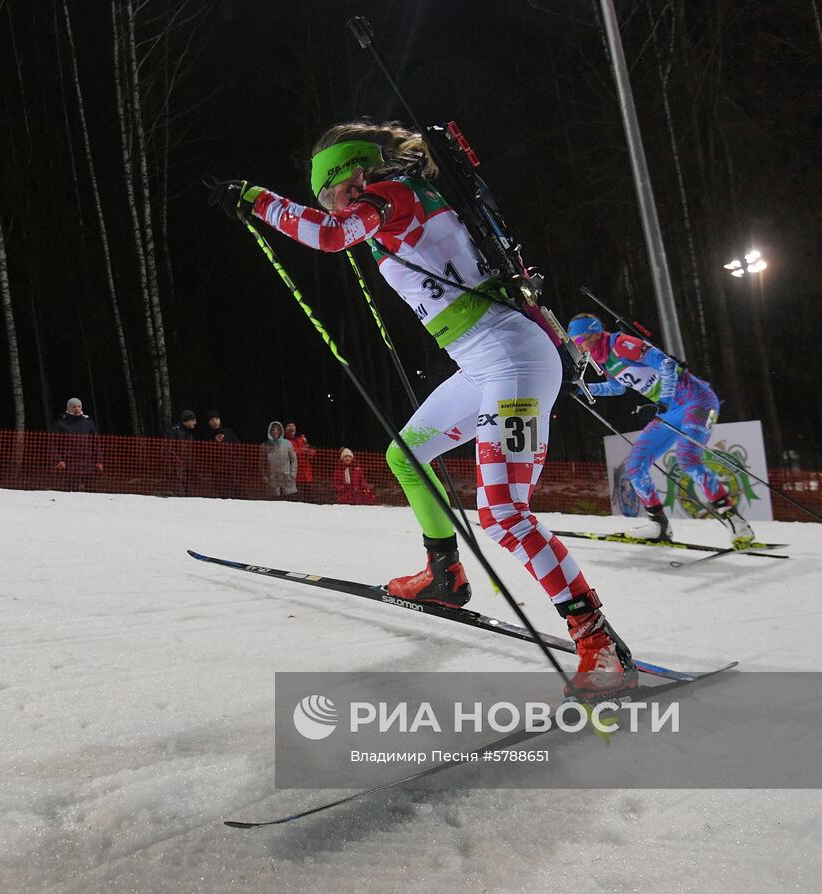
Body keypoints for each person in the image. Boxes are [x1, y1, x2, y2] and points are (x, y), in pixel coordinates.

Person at [210, 120, 635, 696]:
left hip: (515, 361)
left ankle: (597, 638)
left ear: (355, 173)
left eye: (330, 193)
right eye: (323, 200)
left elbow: (332, 237)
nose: (331, 206)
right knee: (405, 454)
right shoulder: (400, 198)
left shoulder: (394, 194)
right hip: (486, 364)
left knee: (503, 514)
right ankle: (445, 574)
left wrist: (257, 199)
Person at [567, 313, 755, 547]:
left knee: (688, 459)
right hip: (669, 411)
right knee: (635, 465)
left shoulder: (620, 344)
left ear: (594, 333)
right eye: (574, 342)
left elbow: (666, 364)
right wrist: (582, 389)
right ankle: (658, 525)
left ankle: (737, 523)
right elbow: (617, 389)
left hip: (696, 400)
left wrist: (663, 401)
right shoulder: (603, 360)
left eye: (579, 340)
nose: (578, 346)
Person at [50, 397, 103, 492]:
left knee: (90, 492)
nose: (77, 409)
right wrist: (58, 460)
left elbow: (96, 443)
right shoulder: (60, 423)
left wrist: (99, 461)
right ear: (69, 408)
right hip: (70, 465)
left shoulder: (88, 422)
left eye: (79, 406)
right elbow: (52, 444)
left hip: (88, 464)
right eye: (74, 407)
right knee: (72, 491)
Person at [202, 410, 242, 499]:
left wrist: (237, 461)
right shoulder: (206, 434)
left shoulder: (229, 431)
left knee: (236, 492)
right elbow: (204, 451)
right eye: (212, 420)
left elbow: (238, 447)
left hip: (232, 468)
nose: (215, 421)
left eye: (216, 419)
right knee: (222, 493)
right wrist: (214, 442)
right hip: (217, 470)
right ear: (208, 423)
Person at [164, 409, 199, 496]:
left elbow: (191, 452)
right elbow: (168, 449)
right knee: (180, 494)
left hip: (188, 469)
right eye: (193, 420)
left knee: (190, 494)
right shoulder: (174, 430)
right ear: (186, 421)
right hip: (176, 469)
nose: (195, 423)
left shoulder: (190, 434)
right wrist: (176, 462)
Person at [261, 420, 299, 498]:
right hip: (272, 479)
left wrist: (292, 474)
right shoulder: (265, 445)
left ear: (281, 431)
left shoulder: (287, 443)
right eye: (273, 430)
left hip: (287, 478)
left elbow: (294, 460)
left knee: (289, 502)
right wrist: (264, 476)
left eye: (278, 429)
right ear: (270, 431)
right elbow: (261, 463)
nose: (275, 431)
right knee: (274, 503)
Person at [285, 421, 315, 494]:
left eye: (293, 426)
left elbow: (312, 453)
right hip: (294, 477)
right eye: (289, 426)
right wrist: (301, 451)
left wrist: (309, 449)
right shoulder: (284, 441)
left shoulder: (301, 439)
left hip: (306, 476)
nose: (292, 428)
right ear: (285, 429)